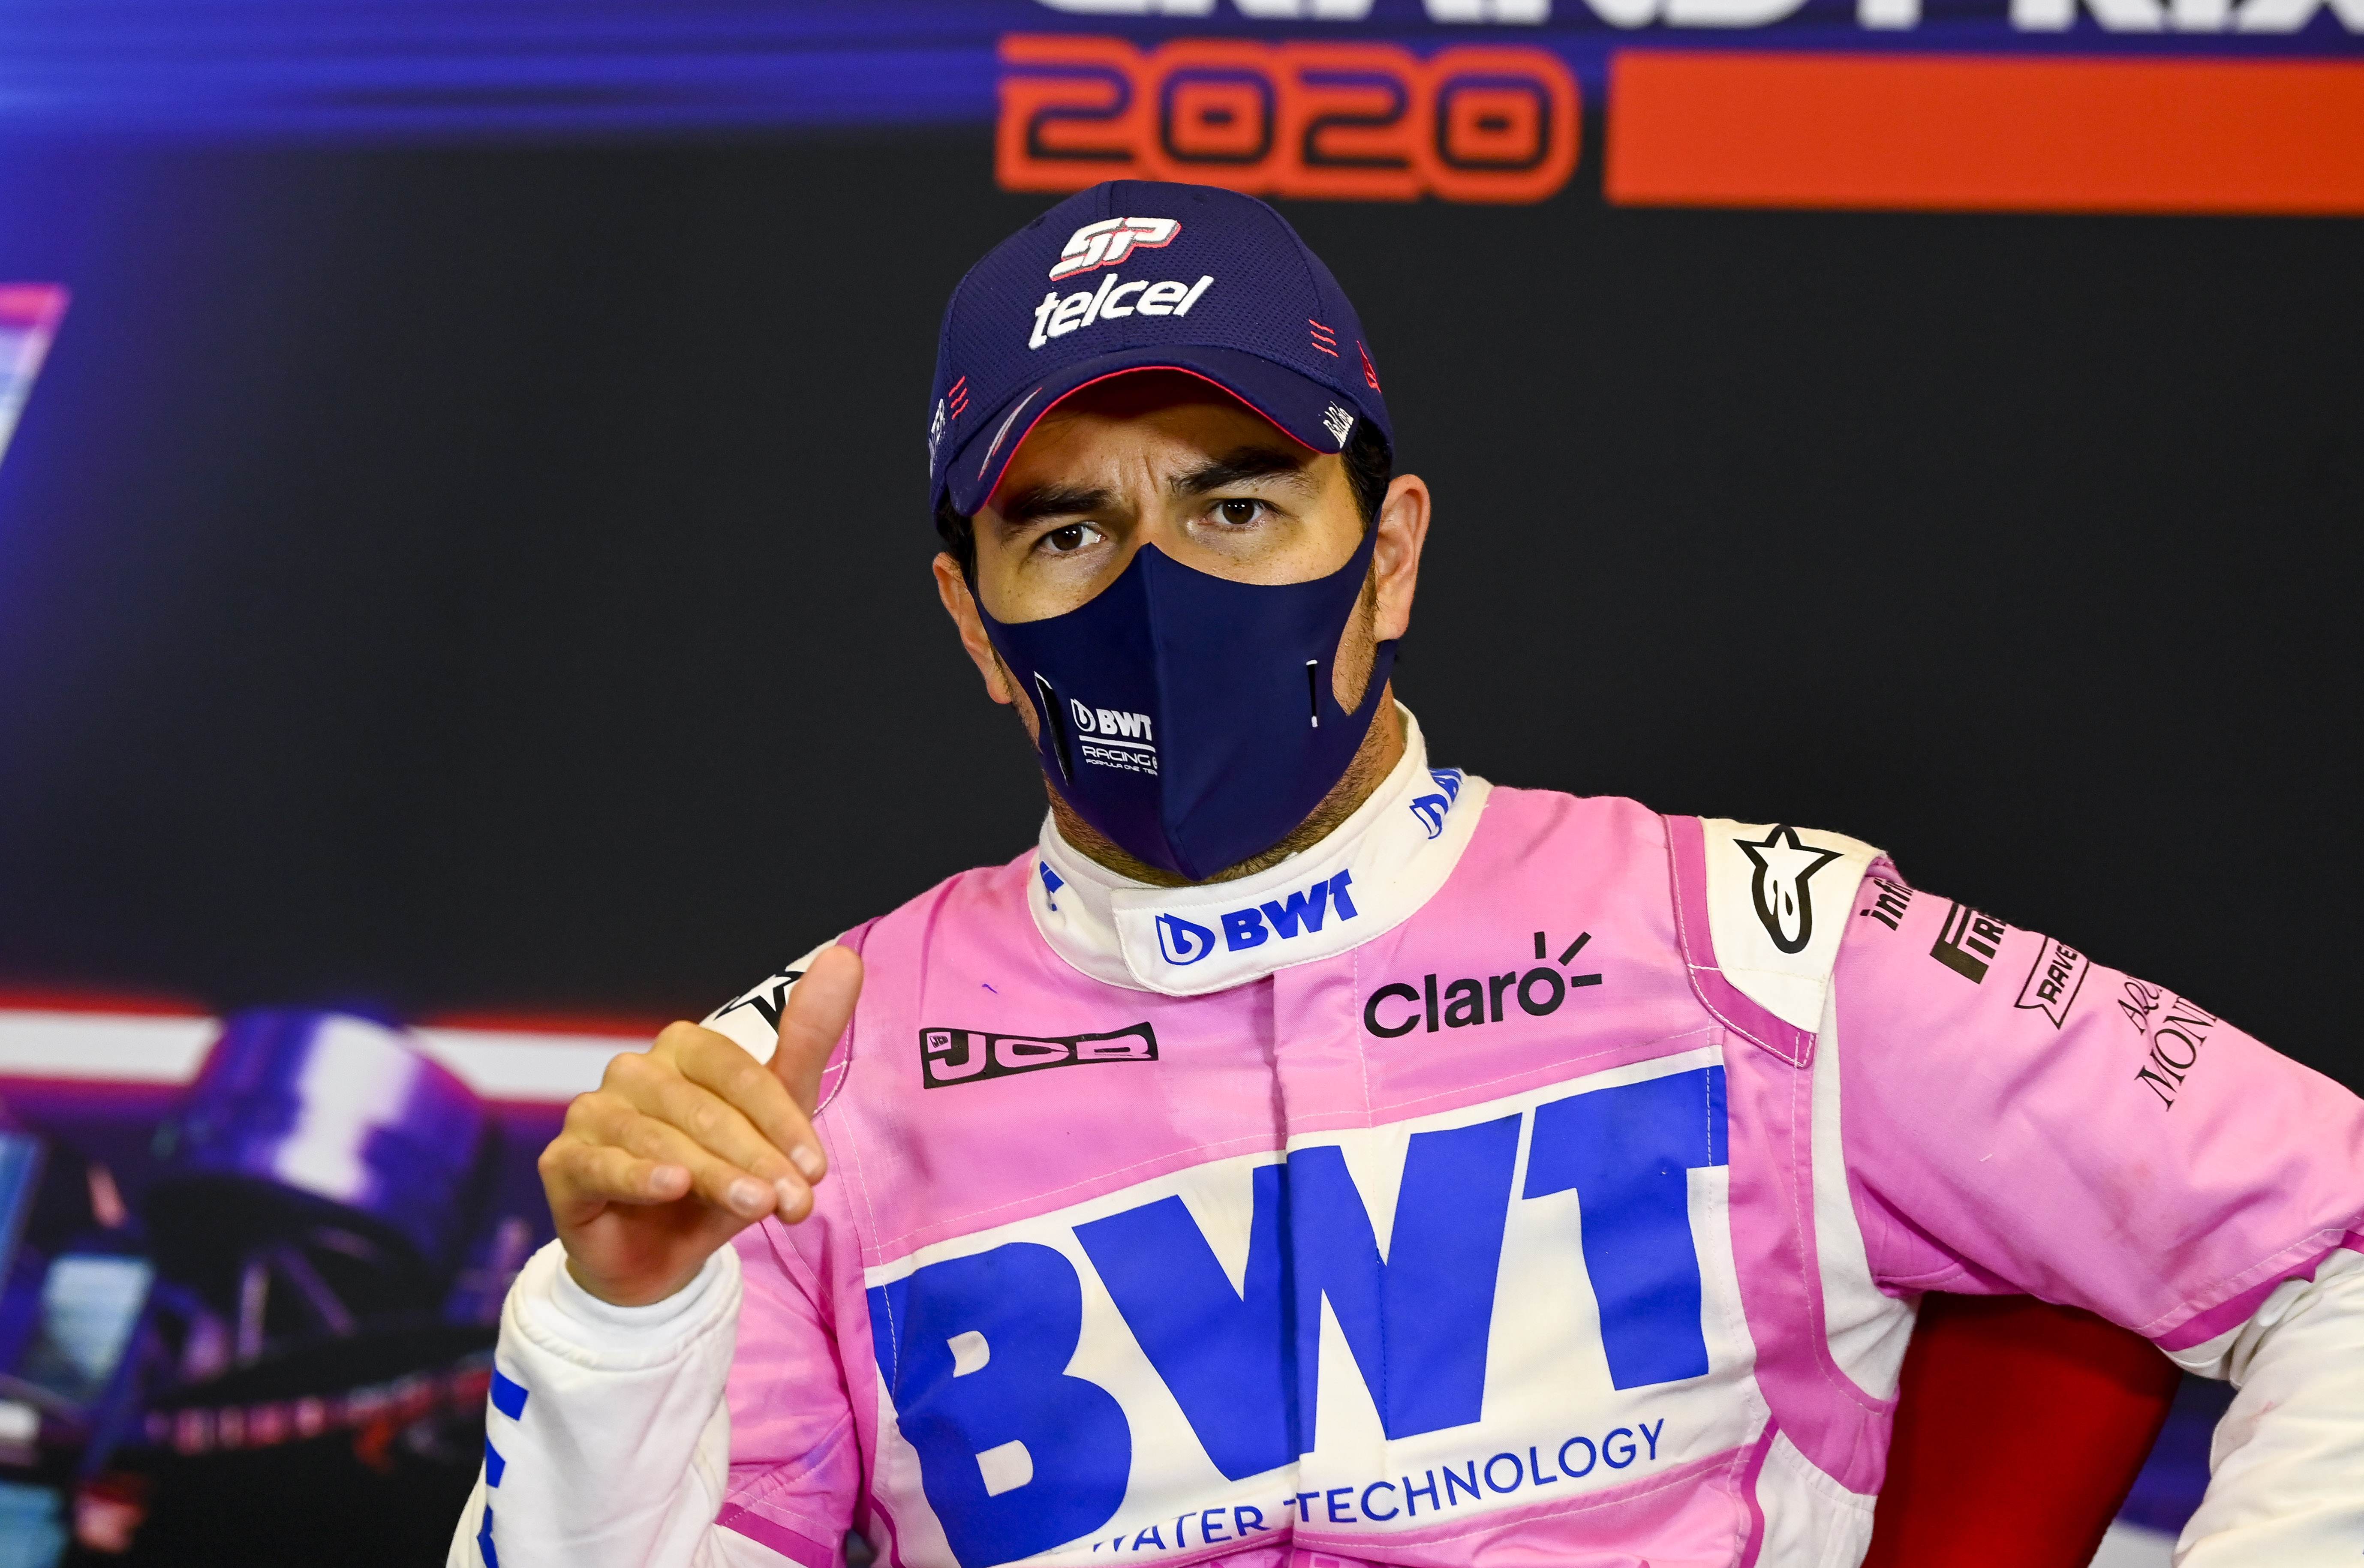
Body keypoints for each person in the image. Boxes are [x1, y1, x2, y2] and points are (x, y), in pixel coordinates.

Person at [449, 181, 2363, 1568]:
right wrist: (615, 1328)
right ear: (972, 620)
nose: (1159, 588)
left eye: (1236, 503)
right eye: (1068, 533)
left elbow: (2336, 1239)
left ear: (1387, 554)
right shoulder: (799, 1081)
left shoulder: (1751, 949)